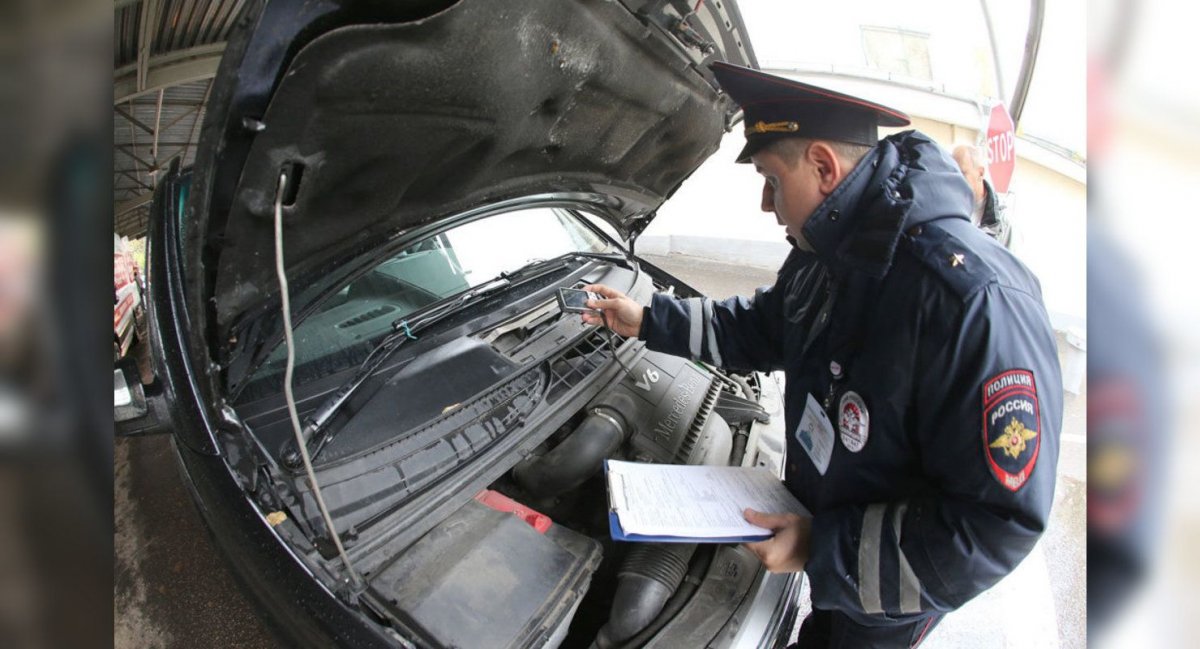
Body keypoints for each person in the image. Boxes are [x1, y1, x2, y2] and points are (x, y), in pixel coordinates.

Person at [582, 62, 1061, 648]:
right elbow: (764, 327)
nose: (767, 203)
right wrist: (650, 319)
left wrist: (824, 549)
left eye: (771, 179)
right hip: (825, 535)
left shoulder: (972, 300)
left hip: (887, 595)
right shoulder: (831, 250)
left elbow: (996, 525)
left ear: (824, 168)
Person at [952, 144, 1013, 248]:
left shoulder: (1003, 225)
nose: (955, 180)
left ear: (980, 173)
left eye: (962, 173)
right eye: (952, 173)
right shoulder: (944, 206)